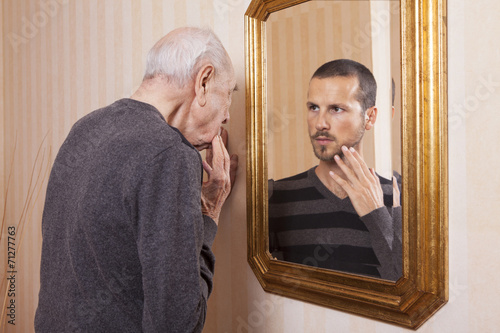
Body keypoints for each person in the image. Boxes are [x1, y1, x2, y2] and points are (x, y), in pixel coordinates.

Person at [35, 27, 238, 332]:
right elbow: (176, 325)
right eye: (229, 96)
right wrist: (208, 216)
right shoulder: (170, 153)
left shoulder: (85, 128)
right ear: (204, 81)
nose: (227, 117)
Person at [268, 59, 402, 281]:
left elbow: (406, 290)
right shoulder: (277, 197)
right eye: (313, 108)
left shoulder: (399, 198)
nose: (320, 123)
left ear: (370, 117)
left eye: (336, 109)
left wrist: (377, 216)